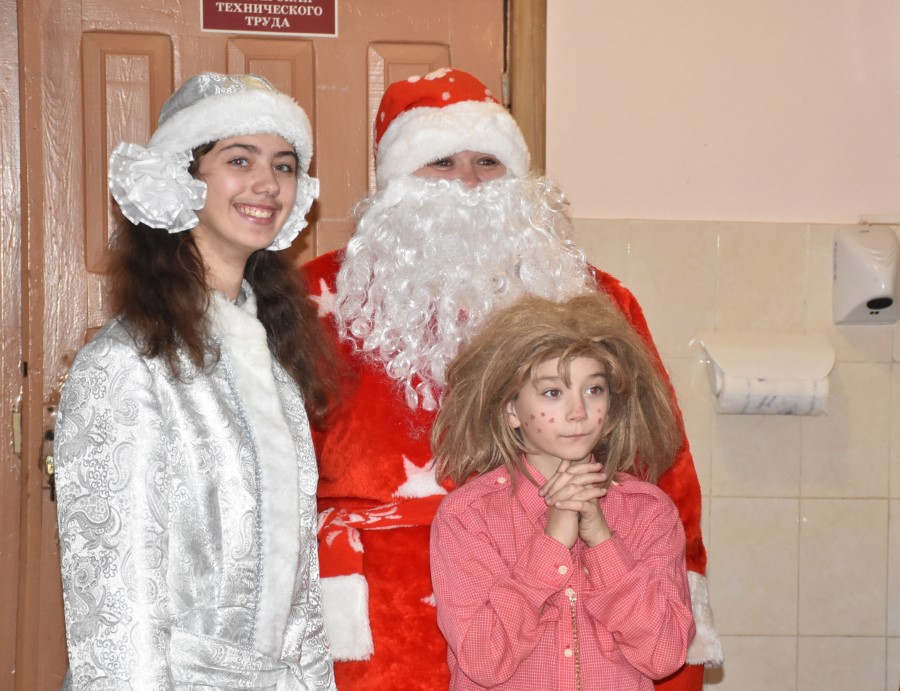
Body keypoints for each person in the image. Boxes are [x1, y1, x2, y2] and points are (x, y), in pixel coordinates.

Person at [304, 67, 720, 690]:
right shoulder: (310, 300)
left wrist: (680, 651)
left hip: (574, 620)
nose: (468, 182)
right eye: (441, 162)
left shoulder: (594, 298)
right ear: (396, 180)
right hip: (377, 622)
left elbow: (662, 461)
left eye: (488, 162)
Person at [55, 72, 338, 689]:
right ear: (181, 177)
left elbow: (301, 596)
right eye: (239, 160)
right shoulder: (127, 365)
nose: (268, 183)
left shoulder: (275, 364)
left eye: (284, 166)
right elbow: (114, 610)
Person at [430, 293, 696, 689]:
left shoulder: (649, 512)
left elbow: (664, 656)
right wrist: (550, 543)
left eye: (594, 390)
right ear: (511, 409)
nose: (579, 412)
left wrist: (603, 540)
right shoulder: (468, 517)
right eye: (553, 392)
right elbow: (482, 662)